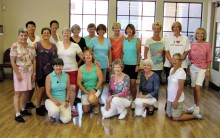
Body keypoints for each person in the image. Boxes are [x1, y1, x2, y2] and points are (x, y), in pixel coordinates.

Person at [166, 53, 202, 121]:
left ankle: (194, 116)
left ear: (181, 61)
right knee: (169, 115)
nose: (174, 61)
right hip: (170, 98)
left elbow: (180, 88)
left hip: (177, 99)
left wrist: (176, 101)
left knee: (175, 118)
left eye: (176, 59)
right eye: (173, 59)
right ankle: (189, 112)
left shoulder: (181, 72)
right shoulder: (171, 70)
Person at [10, 28, 36, 123]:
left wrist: (34, 73)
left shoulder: (31, 46)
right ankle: (17, 114)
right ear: (18, 36)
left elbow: (34, 60)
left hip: (29, 71)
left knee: (27, 91)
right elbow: (12, 61)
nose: (23, 37)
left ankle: (23, 109)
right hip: (19, 71)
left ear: (27, 36)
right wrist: (17, 73)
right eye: (21, 35)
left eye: (25, 35)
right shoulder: (14, 46)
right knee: (18, 93)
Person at [57, 27, 84, 116]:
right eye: (64, 33)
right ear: (62, 34)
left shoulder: (75, 45)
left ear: (70, 34)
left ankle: (70, 107)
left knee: (72, 89)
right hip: (61, 71)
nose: (66, 34)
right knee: (62, 89)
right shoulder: (58, 44)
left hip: (72, 69)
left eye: (68, 33)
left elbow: (83, 56)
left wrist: (93, 60)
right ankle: (61, 106)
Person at [187, 28, 212, 114]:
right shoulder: (192, 44)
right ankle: (194, 105)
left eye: (202, 34)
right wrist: (188, 67)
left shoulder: (207, 45)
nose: (200, 35)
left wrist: (208, 70)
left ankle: (197, 107)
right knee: (194, 88)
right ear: (196, 35)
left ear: (204, 35)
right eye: (198, 33)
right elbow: (190, 57)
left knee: (198, 88)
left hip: (203, 68)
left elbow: (209, 58)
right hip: (193, 67)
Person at [35, 27, 58, 116]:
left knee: (47, 89)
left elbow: (55, 58)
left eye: (48, 33)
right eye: (44, 33)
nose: (46, 34)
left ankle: (44, 105)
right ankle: (37, 107)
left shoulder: (54, 46)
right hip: (40, 71)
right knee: (41, 89)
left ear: (50, 34)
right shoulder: (37, 44)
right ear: (42, 34)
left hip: (50, 71)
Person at [89, 24, 112, 106]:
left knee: (102, 82)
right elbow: (90, 52)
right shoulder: (93, 40)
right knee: (94, 81)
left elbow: (109, 53)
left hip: (104, 64)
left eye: (103, 30)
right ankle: (92, 97)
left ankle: (99, 97)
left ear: (105, 31)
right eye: (100, 30)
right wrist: (94, 60)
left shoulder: (107, 40)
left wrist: (110, 64)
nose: (101, 31)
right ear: (97, 31)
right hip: (95, 64)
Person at [45, 58, 71, 124]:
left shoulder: (67, 76)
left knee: (66, 120)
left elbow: (68, 90)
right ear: (53, 66)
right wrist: (55, 101)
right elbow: (47, 92)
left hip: (63, 101)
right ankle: (52, 115)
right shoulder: (49, 77)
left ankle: (60, 112)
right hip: (52, 100)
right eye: (56, 66)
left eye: (60, 65)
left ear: (62, 66)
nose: (58, 67)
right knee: (54, 111)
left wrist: (67, 101)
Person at [122, 24, 141, 109]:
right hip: (125, 65)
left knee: (133, 84)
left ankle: (134, 100)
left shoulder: (137, 40)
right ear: (126, 30)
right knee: (126, 84)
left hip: (133, 65)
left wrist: (138, 64)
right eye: (127, 29)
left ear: (133, 30)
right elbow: (122, 53)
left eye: (130, 29)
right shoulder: (124, 40)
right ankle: (127, 100)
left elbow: (139, 53)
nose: (129, 31)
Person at [25, 21, 41, 109]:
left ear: (35, 27)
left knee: (33, 84)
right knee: (28, 84)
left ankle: (29, 101)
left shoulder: (38, 38)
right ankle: (25, 102)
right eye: (29, 27)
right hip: (27, 65)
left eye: (32, 26)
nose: (31, 28)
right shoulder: (25, 38)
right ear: (27, 28)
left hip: (37, 63)